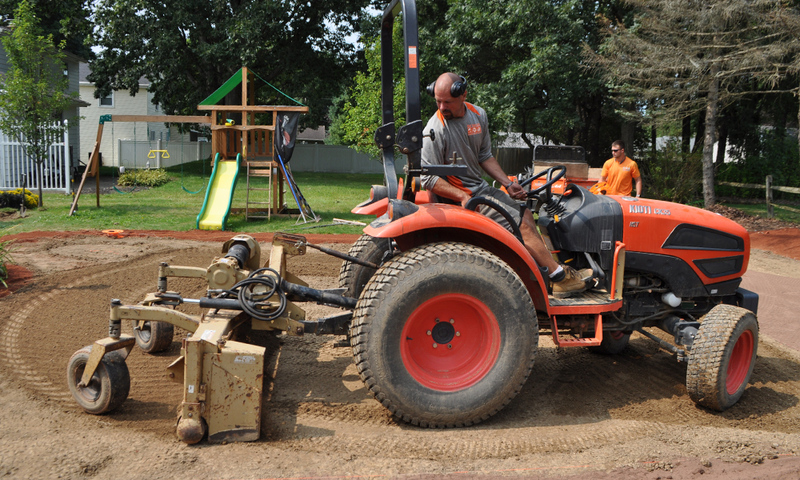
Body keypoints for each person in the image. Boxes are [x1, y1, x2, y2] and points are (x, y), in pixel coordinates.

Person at [419, 72, 586, 298]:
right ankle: (560, 278)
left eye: (447, 102)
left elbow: (485, 155)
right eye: (438, 101)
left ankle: (542, 270)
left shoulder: (478, 115)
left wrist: (507, 183)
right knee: (522, 225)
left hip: (478, 188)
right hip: (464, 196)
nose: (441, 106)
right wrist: (461, 196)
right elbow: (427, 178)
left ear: (463, 95)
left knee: (526, 214)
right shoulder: (434, 130)